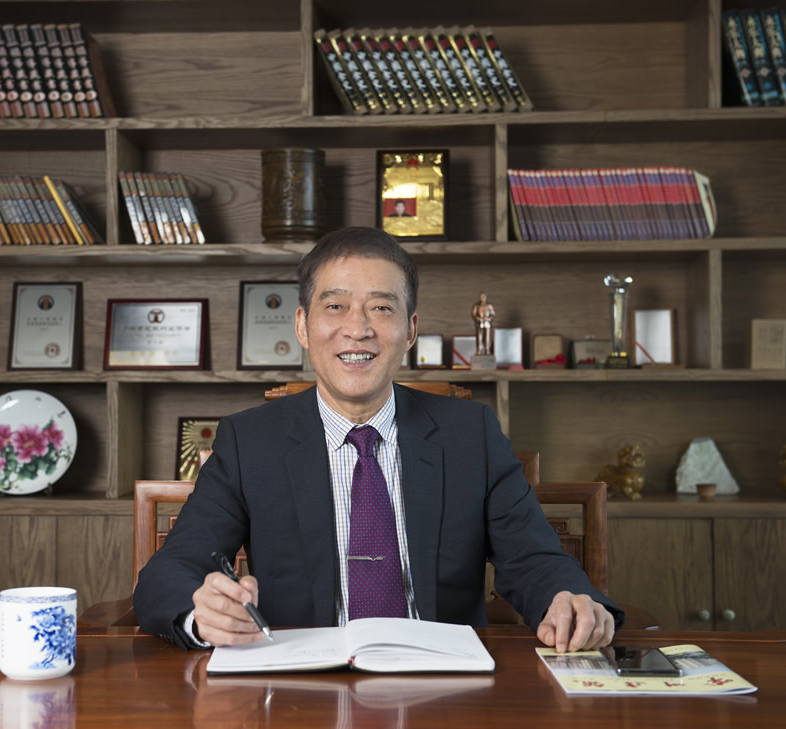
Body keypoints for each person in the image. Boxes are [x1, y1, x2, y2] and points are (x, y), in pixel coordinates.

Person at [133, 226, 622, 652]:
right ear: (302, 326)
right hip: (299, 685)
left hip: (442, 681)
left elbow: (534, 559)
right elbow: (168, 573)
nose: (358, 329)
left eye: (382, 308)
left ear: (410, 330)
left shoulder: (470, 434)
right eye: (336, 306)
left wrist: (567, 600)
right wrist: (201, 613)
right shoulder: (250, 442)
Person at [472, 291, 495, 356]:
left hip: (487, 322)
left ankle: (487, 349)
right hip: (480, 322)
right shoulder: (476, 306)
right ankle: (479, 349)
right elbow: (473, 314)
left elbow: (493, 314)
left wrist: (489, 318)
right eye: (481, 296)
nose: (482, 298)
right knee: (479, 337)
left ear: (486, 297)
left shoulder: (489, 306)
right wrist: (477, 318)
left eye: (484, 296)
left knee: (487, 337)